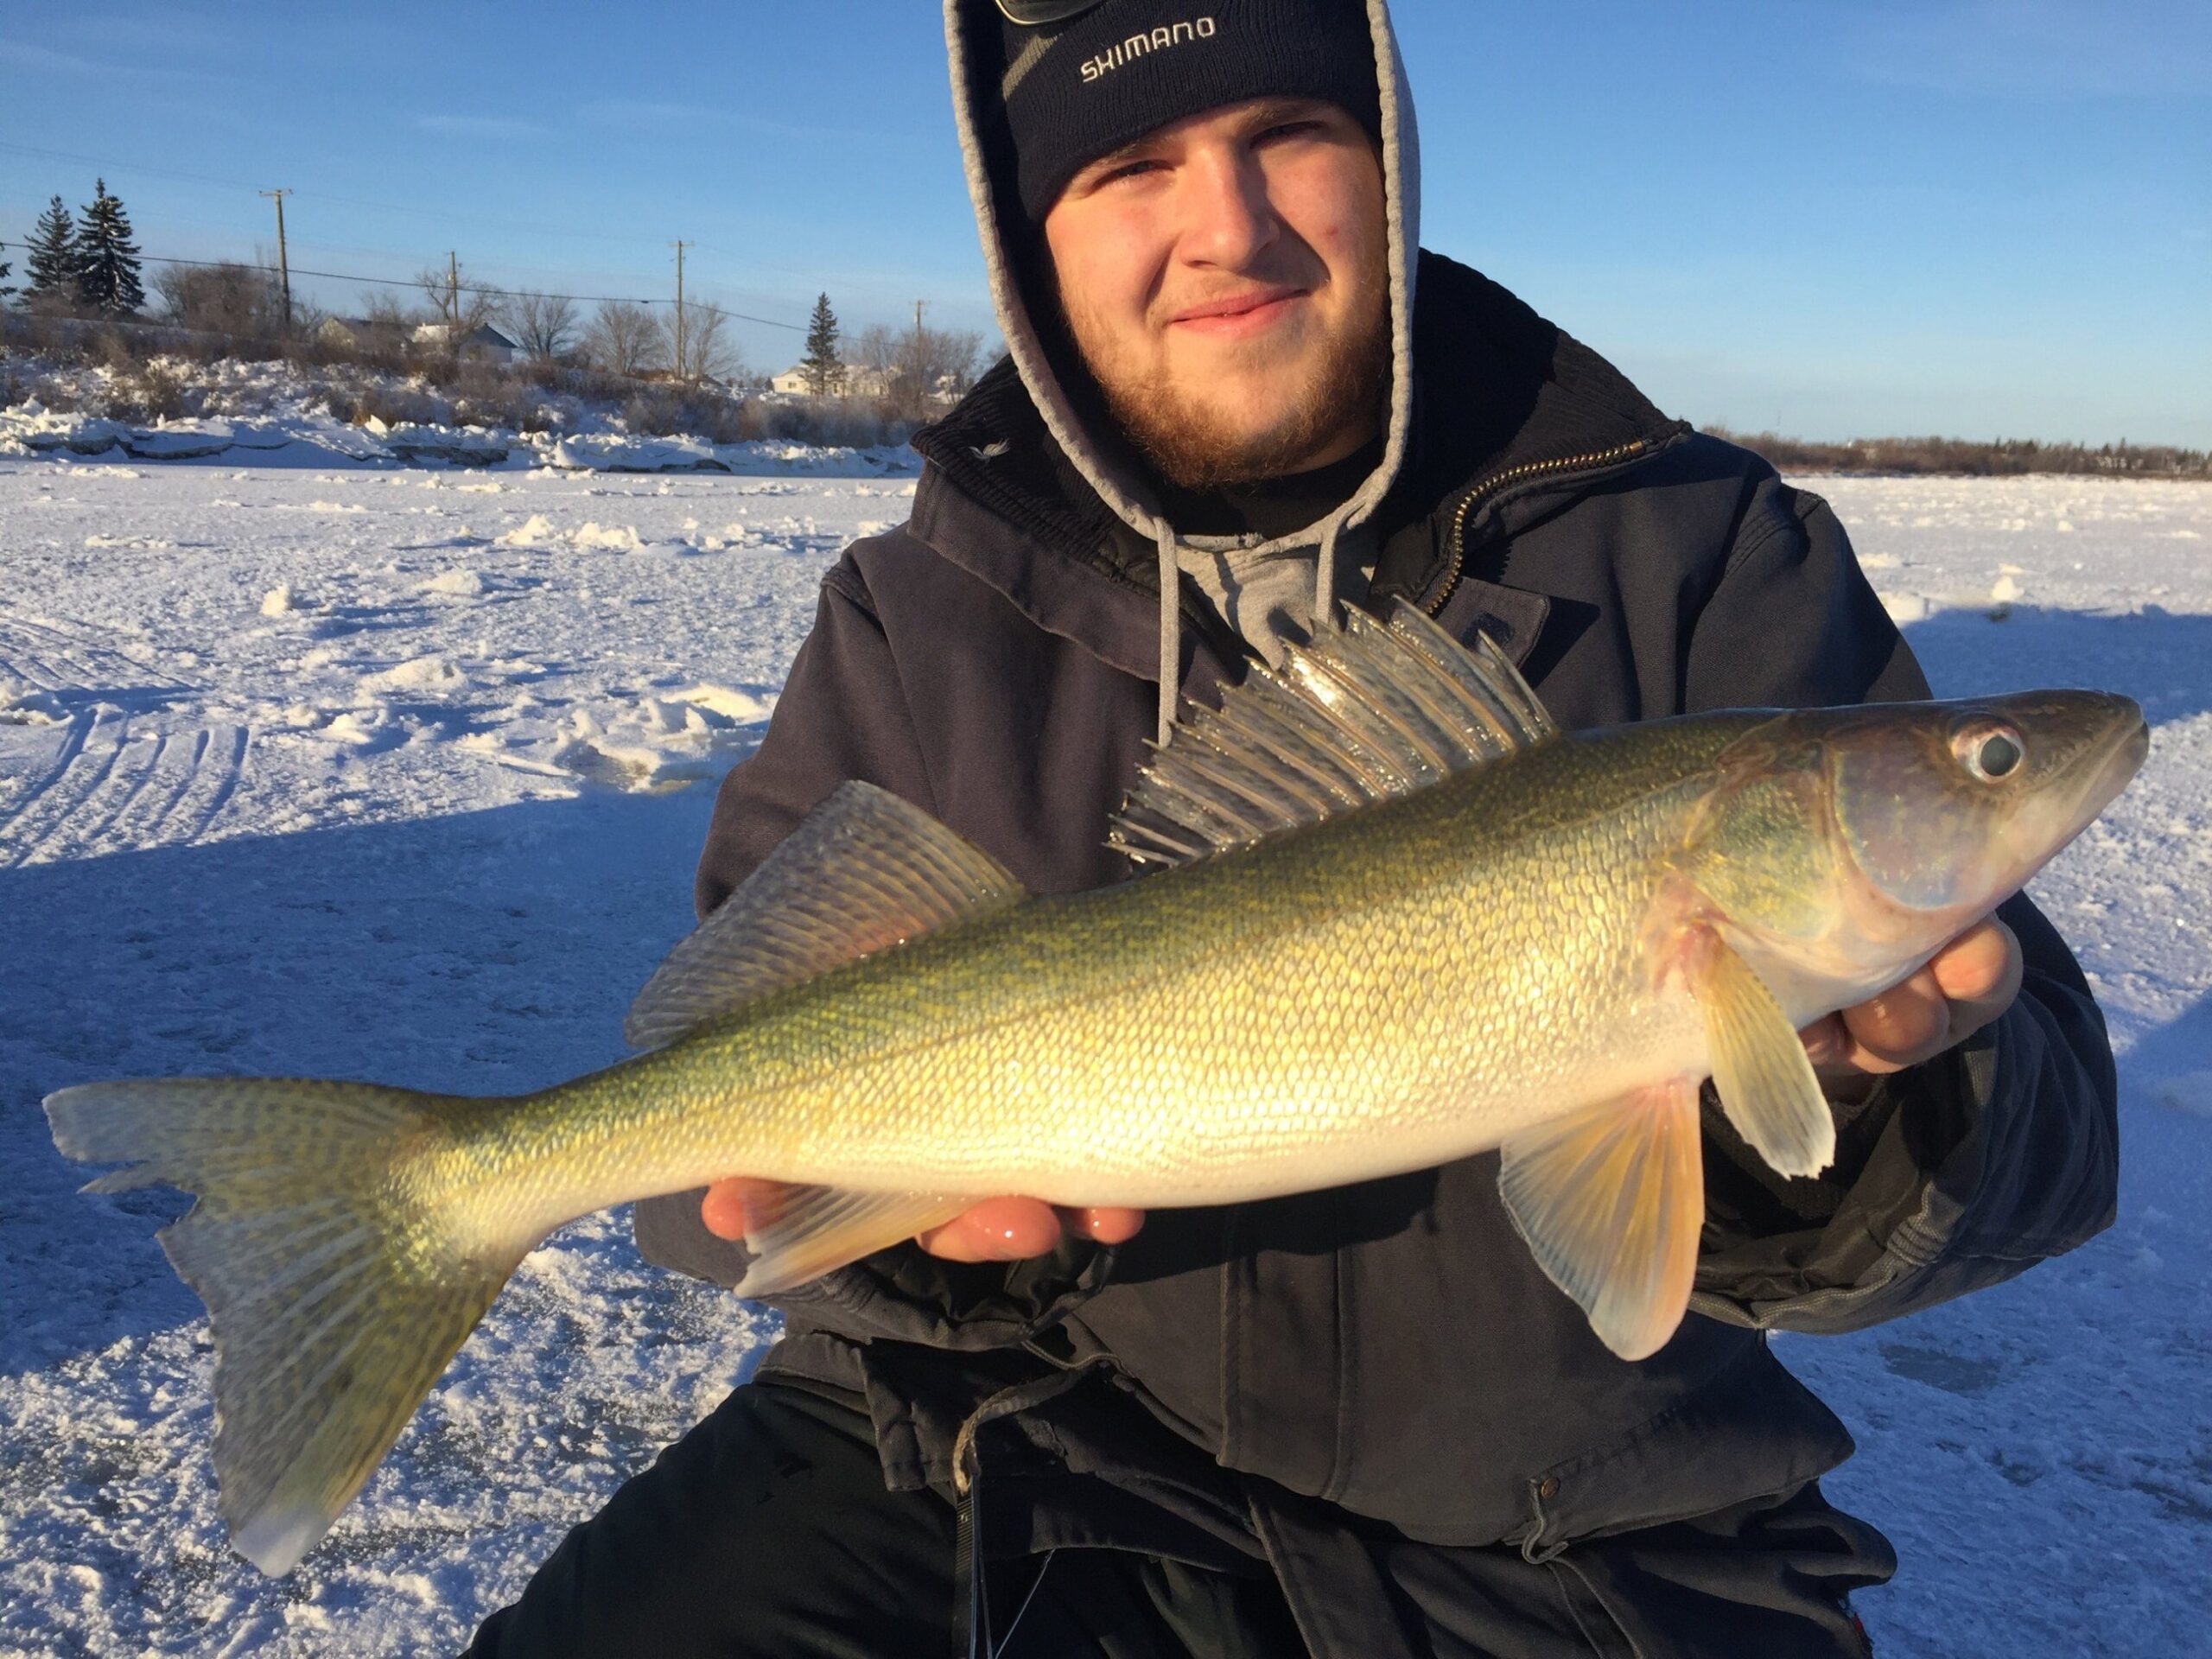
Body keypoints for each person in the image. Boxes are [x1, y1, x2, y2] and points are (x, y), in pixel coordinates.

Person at [464, 2, 2119, 1654]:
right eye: (1130, 166)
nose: (1225, 228)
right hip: (1001, 1437)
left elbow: (2044, 1149)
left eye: (1289, 138)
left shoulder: (1706, 554)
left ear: (1388, 160)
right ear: (1034, 243)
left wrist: (1868, 1099)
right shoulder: (916, 613)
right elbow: (704, 1182)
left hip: (1582, 1541)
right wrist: (930, 1255)